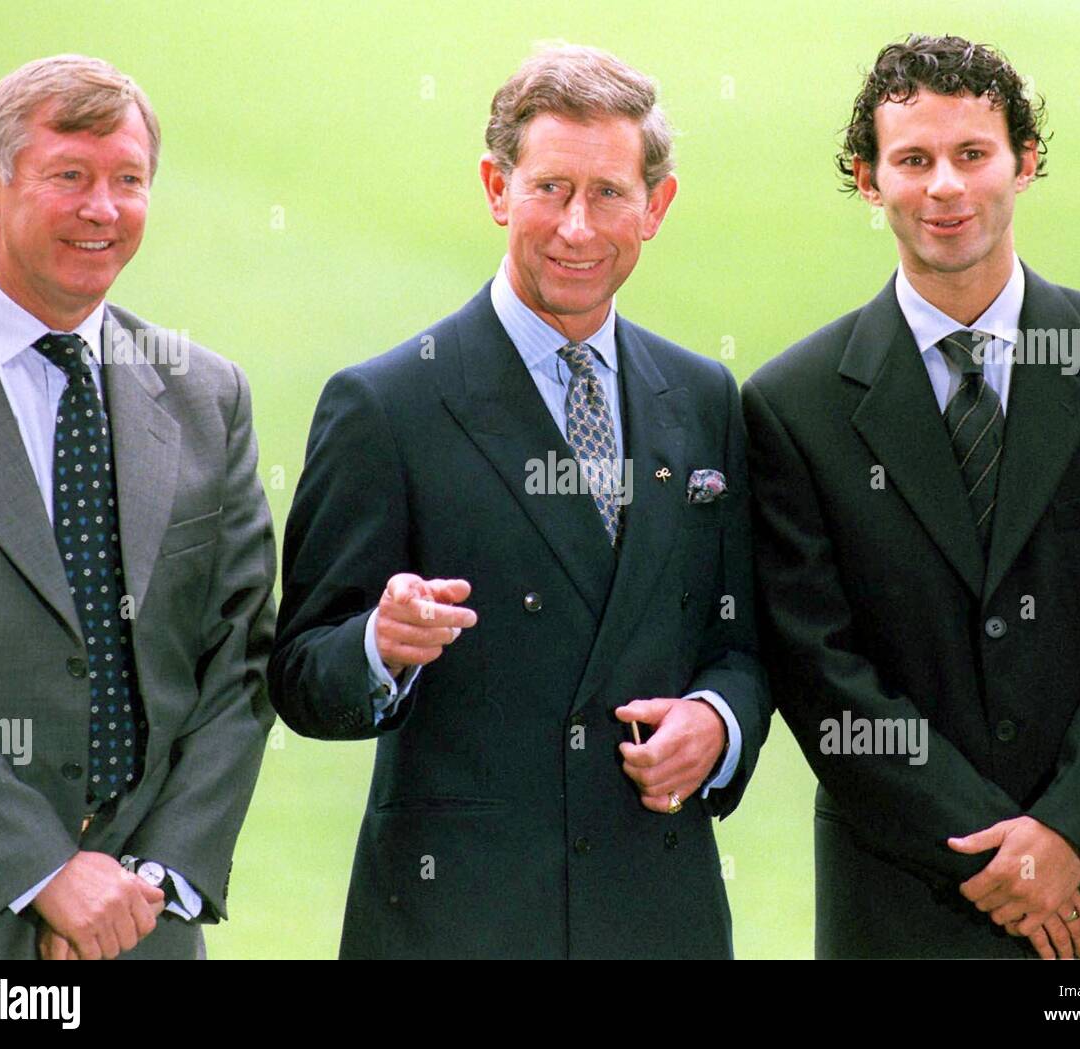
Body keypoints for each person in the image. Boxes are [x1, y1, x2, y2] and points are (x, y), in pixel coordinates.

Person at [271, 44, 769, 959]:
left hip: (658, 920)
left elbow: (739, 641)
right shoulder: (387, 404)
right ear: (498, 188)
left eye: (610, 193)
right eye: (550, 189)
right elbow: (303, 674)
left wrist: (719, 723)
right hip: (455, 925)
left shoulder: (704, 398)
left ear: (656, 206)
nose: (578, 226)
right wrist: (378, 646)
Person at [744, 34, 1080, 959]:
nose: (946, 188)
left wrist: (1070, 835)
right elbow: (816, 661)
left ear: (1024, 163)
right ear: (868, 178)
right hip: (907, 900)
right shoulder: (790, 404)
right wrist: (997, 860)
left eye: (973, 154)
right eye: (913, 160)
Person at [0, 55, 277, 960]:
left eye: (128, 181)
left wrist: (153, 879)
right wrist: (43, 869)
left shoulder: (207, 394)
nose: (103, 209)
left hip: (140, 926)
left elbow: (241, 655)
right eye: (70, 177)